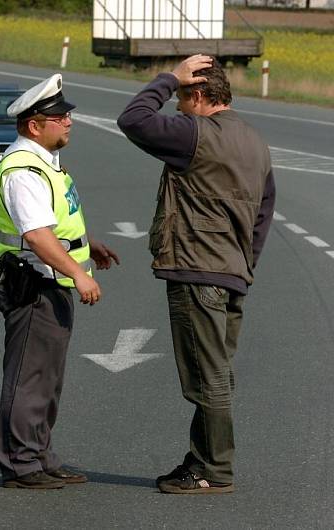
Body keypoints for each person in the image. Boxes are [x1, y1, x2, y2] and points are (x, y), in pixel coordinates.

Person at [117, 55, 276, 494]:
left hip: (197, 269)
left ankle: (215, 469)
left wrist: (169, 77)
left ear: (200, 95)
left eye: (182, 99)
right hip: (232, 273)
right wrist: (244, 265)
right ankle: (200, 459)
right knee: (217, 372)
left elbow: (133, 119)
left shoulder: (195, 135)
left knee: (206, 378)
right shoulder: (255, 142)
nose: (177, 109)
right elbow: (263, 212)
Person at [0, 73, 119, 489]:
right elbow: (37, 235)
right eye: (59, 116)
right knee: (30, 376)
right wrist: (78, 272)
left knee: (47, 377)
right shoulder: (23, 170)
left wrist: (86, 244)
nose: (68, 121)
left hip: (50, 283)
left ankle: (39, 455)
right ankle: (20, 464)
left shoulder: (46, 164)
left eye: (66, 115)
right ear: (34, 125)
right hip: (35, 284)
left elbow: (54, 225)